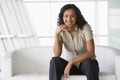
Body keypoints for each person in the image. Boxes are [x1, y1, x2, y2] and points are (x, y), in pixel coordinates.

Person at [49, 4, 99, 80]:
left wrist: (71, 62)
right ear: (62, 17)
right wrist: (56, 35)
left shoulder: (85, 28)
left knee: (89, 62)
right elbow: (57, 54)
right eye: (66, 16)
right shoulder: (60, 30)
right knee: (54, 61)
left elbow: (91, 52)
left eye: (72, 16)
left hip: (87, 66)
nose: (69, 19)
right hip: (72, 68)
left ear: (76, 17)